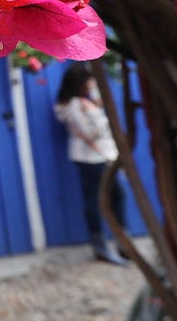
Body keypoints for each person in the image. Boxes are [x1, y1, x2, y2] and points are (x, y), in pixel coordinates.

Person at [54, 63, 128, 266]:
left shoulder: (83, 102)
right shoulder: (75, 105)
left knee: (117, 195)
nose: (92, 84)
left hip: (102, 156)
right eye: (89, 80)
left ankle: (122, 242)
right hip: (90, 158)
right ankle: (101, 246)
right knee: (94, 200)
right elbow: (90, 134)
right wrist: (95, 112)